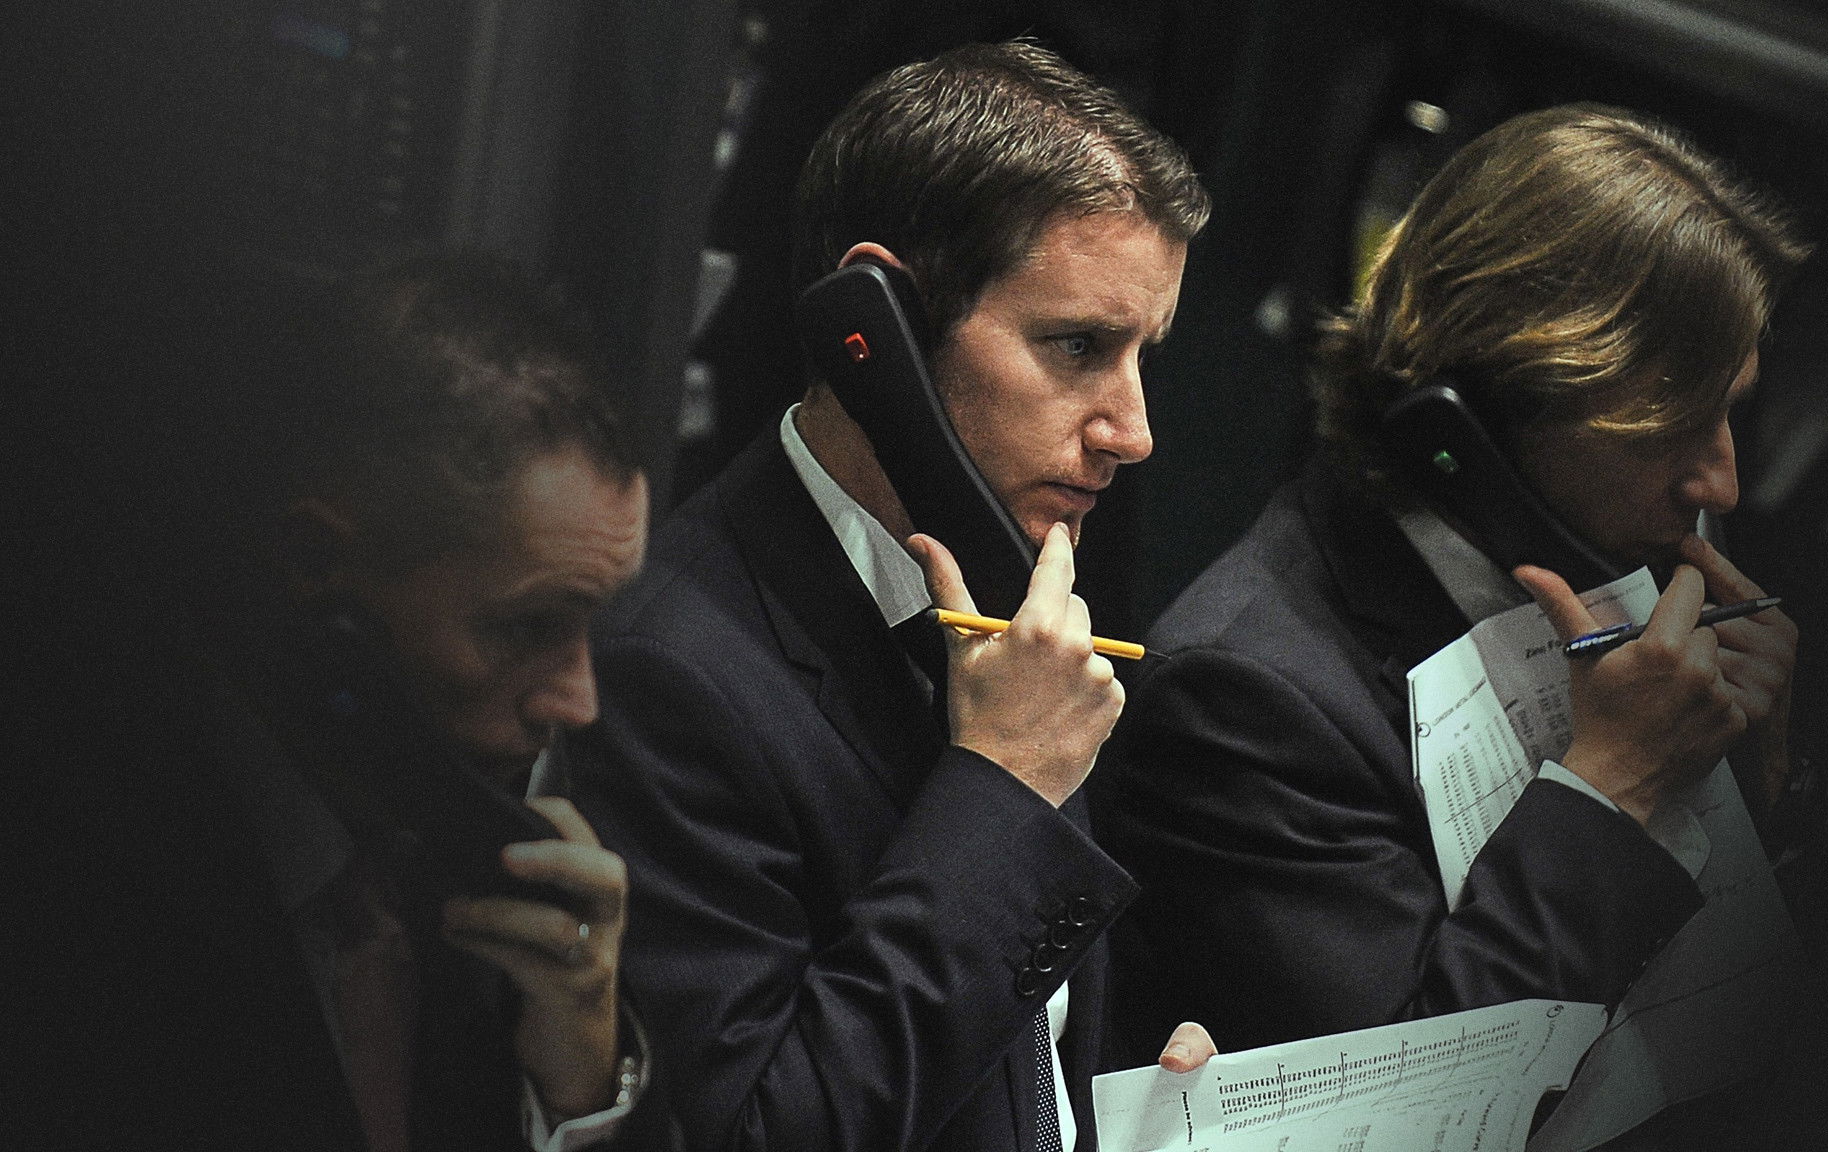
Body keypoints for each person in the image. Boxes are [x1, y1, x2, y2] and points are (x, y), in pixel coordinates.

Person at [564, 40, 1213, 1152]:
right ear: (881, 331)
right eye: (1077, 346)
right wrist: (1004, 788)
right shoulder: (665, 674)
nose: (1133, 430)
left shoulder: (1017, 596)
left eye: (1143, 355)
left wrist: (1106, 1094)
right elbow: (764, 1133)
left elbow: (998, 1031)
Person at [1103, 104, 1808, 1064]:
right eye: (1670, 428)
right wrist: (1614, 797)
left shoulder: (1634, 613)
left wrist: (1747, 798)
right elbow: (1415, 1104)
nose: (1720, 484)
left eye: (1729, 414)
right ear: (1485, 414)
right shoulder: (1245, 699)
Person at [29, 252, 675, 1151]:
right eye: (527, 627)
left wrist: (583, 1091)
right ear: (310, 562)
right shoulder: (73, 882)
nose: (578, 703)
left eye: (592, 629)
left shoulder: (490, 893)